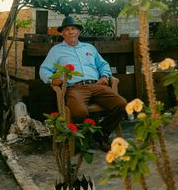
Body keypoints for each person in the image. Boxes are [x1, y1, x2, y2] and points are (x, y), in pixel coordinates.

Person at [39, 16, 127, 152]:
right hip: (75, 88)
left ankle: (101, 135)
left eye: (73, 28)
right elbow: (44, 69)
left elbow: (103, 64)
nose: (71, 32)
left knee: (122, 104)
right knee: (79, 112)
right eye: (67, 29)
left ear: (78, 32)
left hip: (97, 85)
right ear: (62, 33)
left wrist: (105, 76)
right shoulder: (56, 50)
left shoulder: (89, 48)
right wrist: (51, 79)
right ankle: (90, 137)